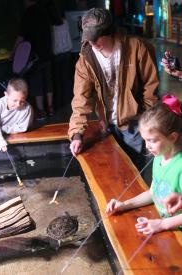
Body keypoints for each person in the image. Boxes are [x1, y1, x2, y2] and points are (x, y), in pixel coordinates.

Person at [68, 8, 159, 170]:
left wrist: (145, 121)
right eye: (89, 39)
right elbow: (80, 99)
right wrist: (76, 134)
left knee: (133, 175)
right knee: (111, 176)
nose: (92, 43)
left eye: (96, 38)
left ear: (110, 31)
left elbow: (150, 89)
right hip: (106, 126)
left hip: (135, 126)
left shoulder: (137, 48)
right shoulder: (85, 60)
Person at [106, 94, 182, 235]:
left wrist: (163, 224)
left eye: (152, 140)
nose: (147, 146)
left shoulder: (180, 167)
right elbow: (153, 193)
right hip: (162, 224)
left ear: (172, 137)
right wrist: (124, 205)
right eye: (145, 140)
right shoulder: (159, 158)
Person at [12, 0, 53, 119]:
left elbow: (21, 36)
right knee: (48, 81)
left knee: (37, 82)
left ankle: (41, 111)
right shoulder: (44, 12)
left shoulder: (27, 15)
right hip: (47, 52)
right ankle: (50, 108)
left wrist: (13, 52)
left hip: (34, 55)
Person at [0, 78, 33, 152]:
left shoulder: (27, 109)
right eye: (15, 100)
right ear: (6, 95)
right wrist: (0, 142)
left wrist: (1, 129)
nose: (18, 105)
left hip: (17, 138)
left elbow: (22, 127)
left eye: (22, 101)